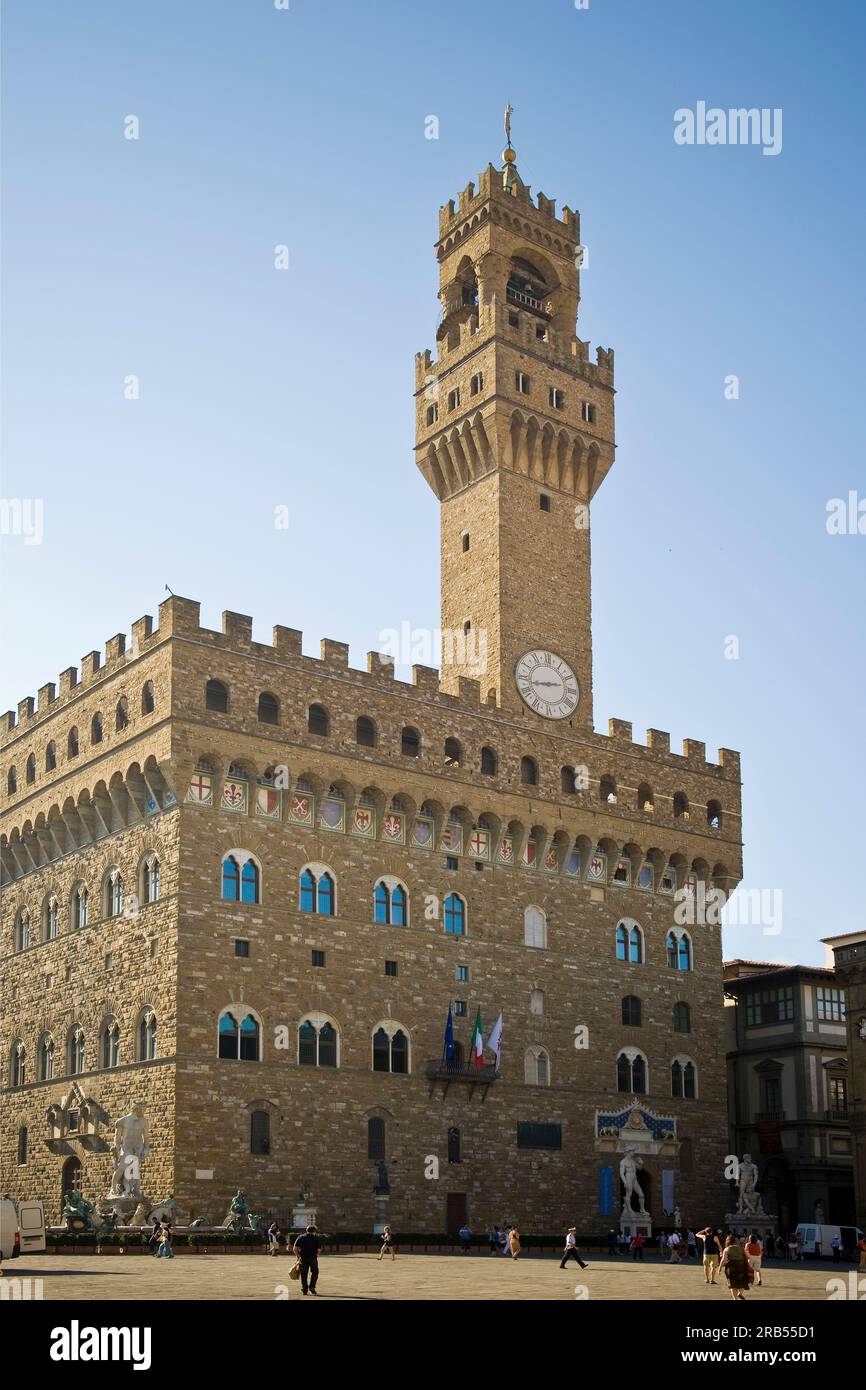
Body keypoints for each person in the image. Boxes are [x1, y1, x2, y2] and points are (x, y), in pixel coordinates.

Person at [293, 1223, 322, 1295]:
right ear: (314, 1231)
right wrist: (317, 1255)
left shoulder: (301, 1237)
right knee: (315, 1272)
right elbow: (318, 1249)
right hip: (313, 1258)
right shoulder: (316, 1238)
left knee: (304, 1274)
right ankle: (312, 1286)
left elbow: (295, 1248)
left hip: (303, 1258)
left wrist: (298, 1256)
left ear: (306, 1230)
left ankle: (304, 1289)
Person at [720, 1235, 750, 1300]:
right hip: (741, 1266)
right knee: (742, 1282)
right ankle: (740, 1294)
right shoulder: (741, 1248)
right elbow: (748, 1257)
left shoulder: (727, 1249)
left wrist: (720, 1268)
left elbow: (723, 1260)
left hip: (731, 1267)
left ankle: (735, 1299)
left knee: (733, 1284)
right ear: (735, 1241)